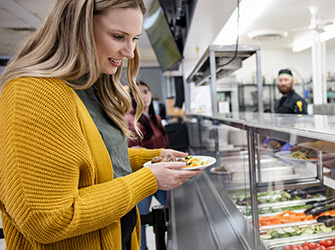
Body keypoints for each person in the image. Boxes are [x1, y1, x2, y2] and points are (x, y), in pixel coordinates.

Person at [0, 1, 202, 250]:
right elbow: (48, 219)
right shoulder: (34, 91)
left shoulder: (91, 86)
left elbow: (89, 161)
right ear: (78, 27)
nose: (129, 52)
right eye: (118, 36)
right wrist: (148, 179)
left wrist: (155, 158)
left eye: (135, 39)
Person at [125, 81, 169, 250]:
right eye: (139, 92)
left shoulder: (155, 117)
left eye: (146, 91)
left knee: (172, 211)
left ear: (151, 94)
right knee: (141, 221)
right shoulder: (131, 120)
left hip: (162, 174)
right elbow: (132, 150)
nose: (143, 95)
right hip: (143, 176)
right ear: (133, 98)